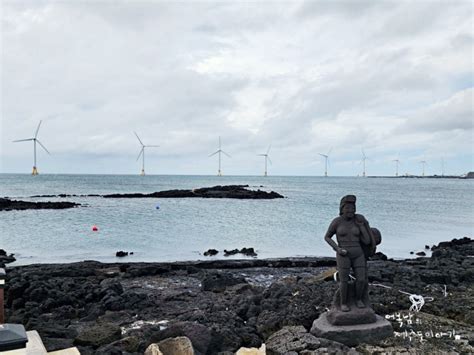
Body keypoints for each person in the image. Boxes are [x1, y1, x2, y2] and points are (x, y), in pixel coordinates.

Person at [324, 195, 376, 312]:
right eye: (347, 208)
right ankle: (343, 303)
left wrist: (362, 226)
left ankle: (358, 299)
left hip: (358, 253)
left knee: (361, 279)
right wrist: (337, 249)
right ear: (342, 209)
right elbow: (327, 237)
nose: (350, 211)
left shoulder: (358, 220)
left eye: (353, 208)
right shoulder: (337, 222)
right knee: (344, 281)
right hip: (343, 254)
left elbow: (367, 241)